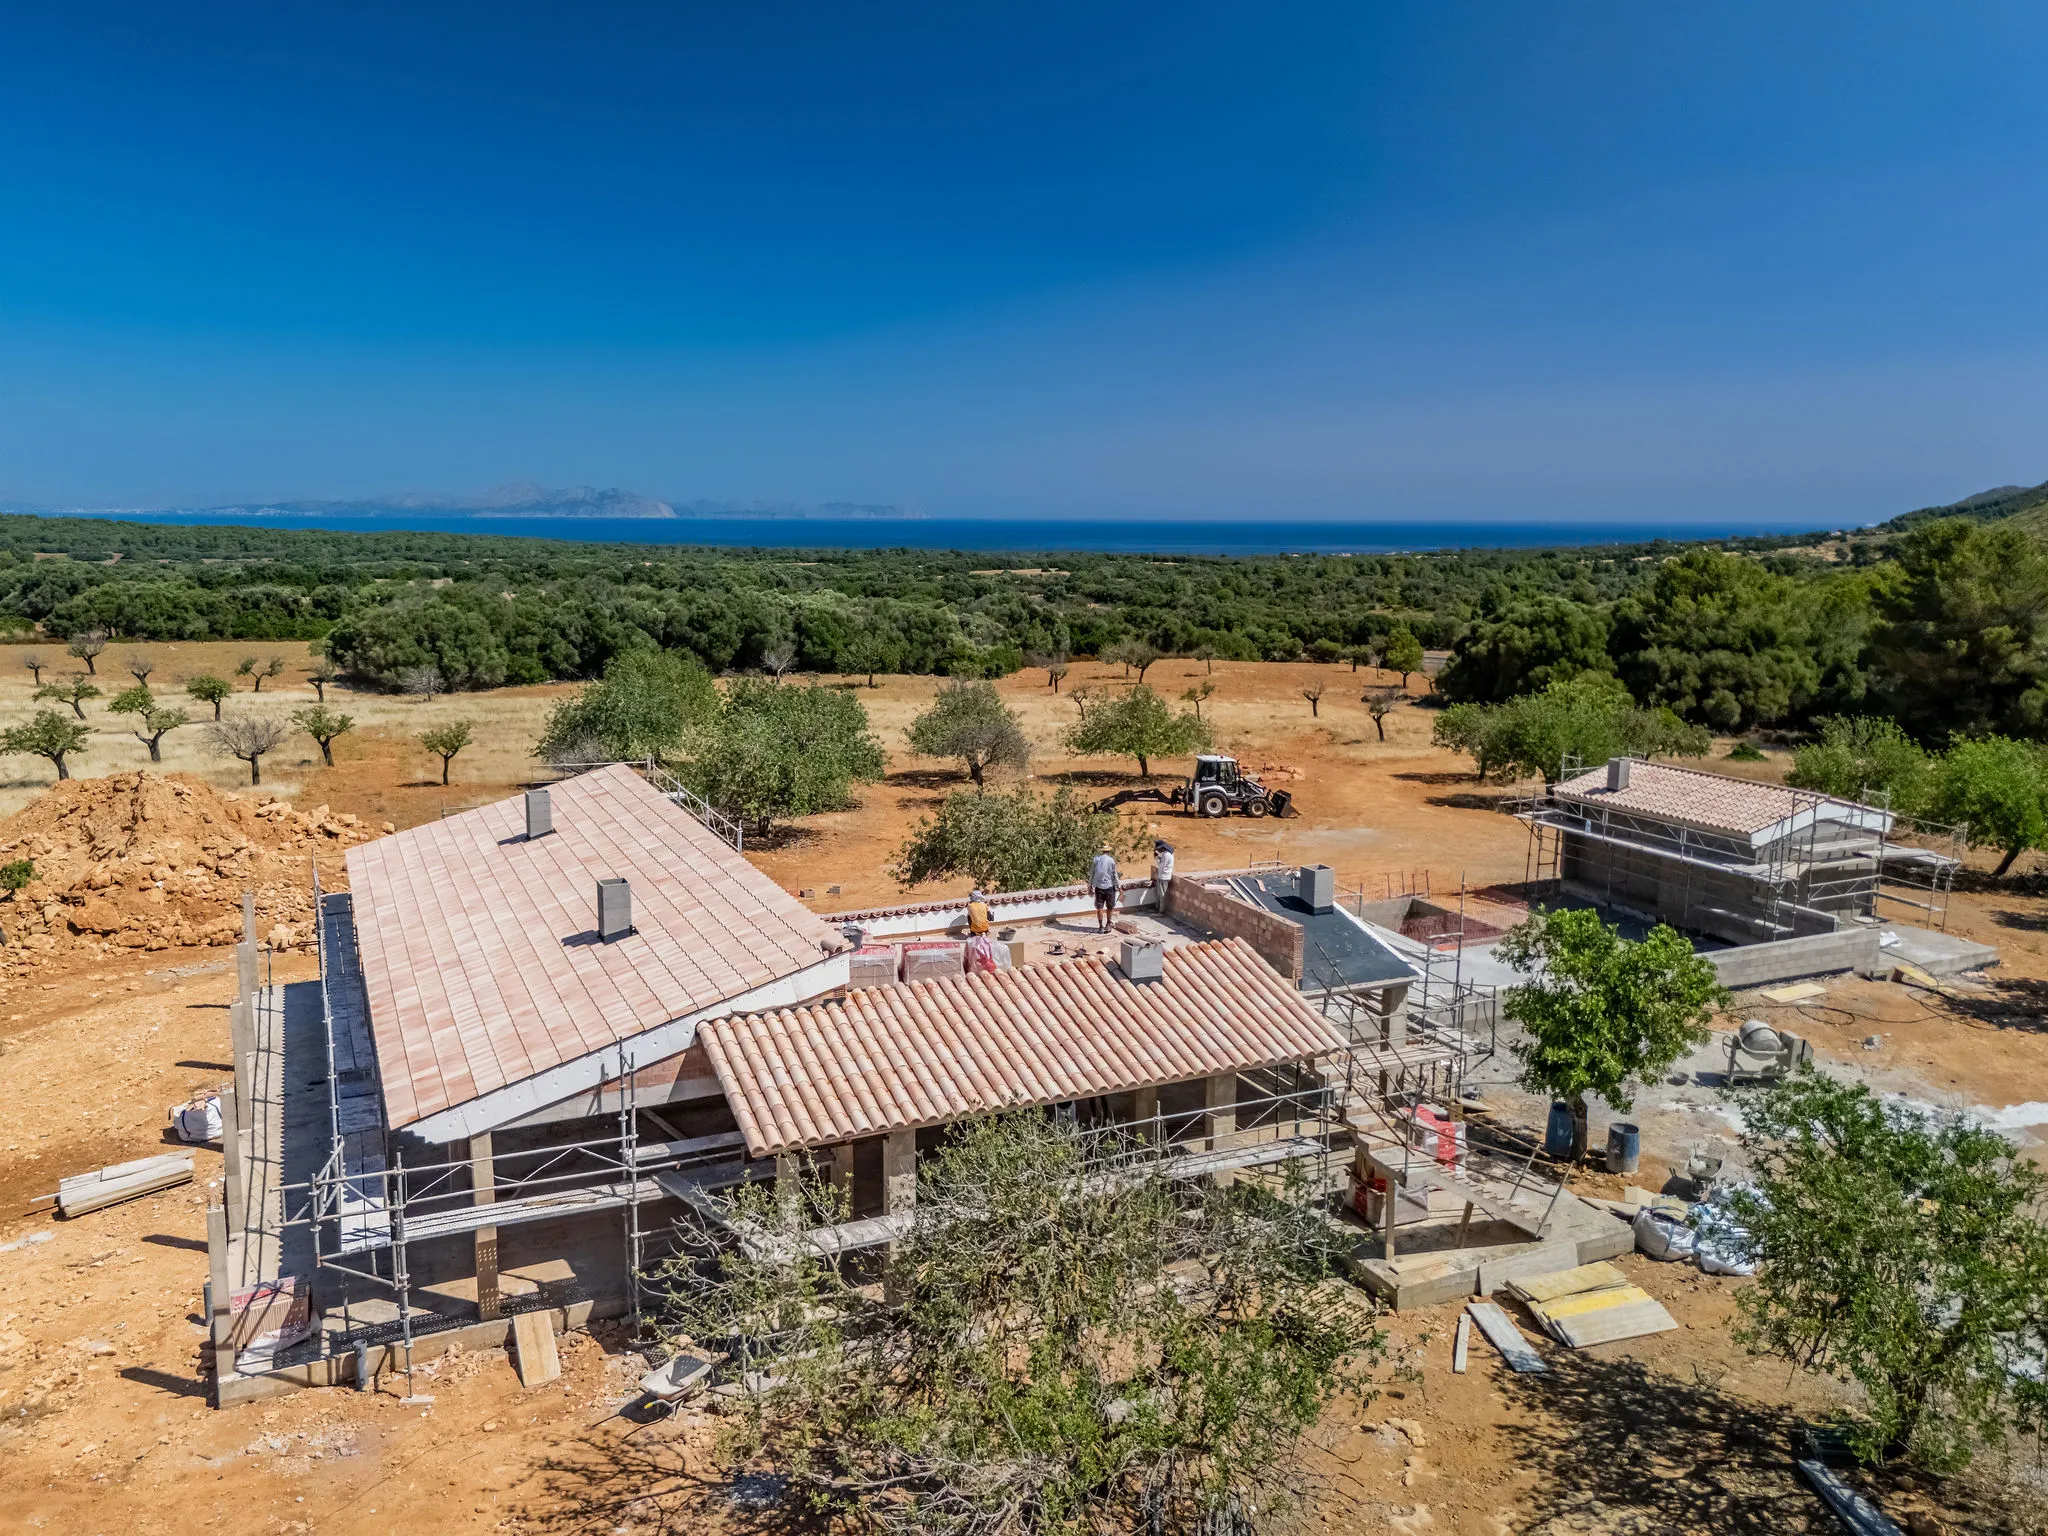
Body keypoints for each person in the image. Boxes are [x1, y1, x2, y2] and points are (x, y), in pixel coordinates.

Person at [1090, 844, 1120, 933]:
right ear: (1109, 851)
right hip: (1109, 887)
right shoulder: (1111, 860)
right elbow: (1114, 874)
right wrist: (1119, 886)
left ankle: (1100, 927)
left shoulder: (1096, 859)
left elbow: (1092, 873)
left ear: (1102, 851)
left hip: (1099, 887)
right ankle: (1108, 923)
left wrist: (1091, 885)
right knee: (1109, 907)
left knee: (1099, 907)